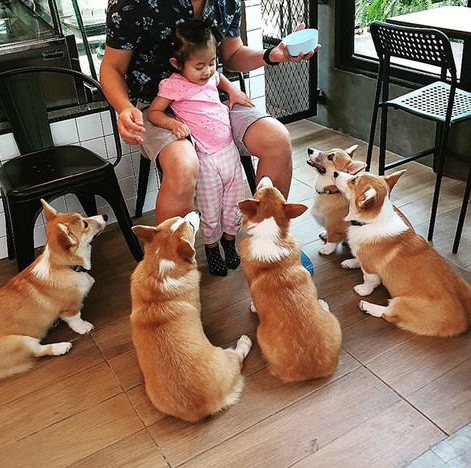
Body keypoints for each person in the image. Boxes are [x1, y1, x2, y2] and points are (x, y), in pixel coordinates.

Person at [100, 0, 319, 272]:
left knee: (277, 138)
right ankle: (170, 270)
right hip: (156, 106)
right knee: (183, 164)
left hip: (212, 99)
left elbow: (232, 54)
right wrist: (124, 108)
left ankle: (270, 244)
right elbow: (112, 67)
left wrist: (272, 55)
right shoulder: (132, 4)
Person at [147, 20, 252, 276]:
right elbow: (153, 113)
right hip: (205, 159)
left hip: (229, 151)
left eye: (212, 62)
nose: (207, 71)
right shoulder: (173, 85)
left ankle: (229, 242)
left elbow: (219, 77)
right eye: (199, 66)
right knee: (210, 210)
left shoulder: (211, 75)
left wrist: (232, 91)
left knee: (234, 205)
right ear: (177, 64)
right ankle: (212, 248)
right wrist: (172, 124)